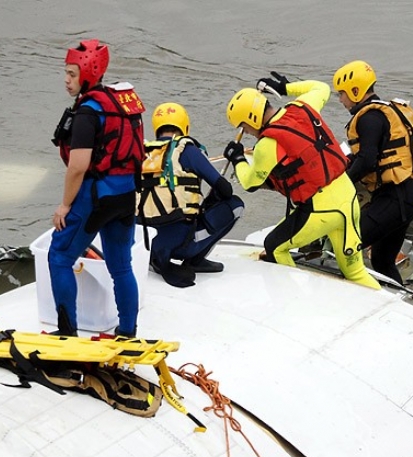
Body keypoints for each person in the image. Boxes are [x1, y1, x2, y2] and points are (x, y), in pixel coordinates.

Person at [223, 74, 380, 290]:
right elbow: (320, 87)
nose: (247, 133)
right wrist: (284, 87)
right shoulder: (301, 107)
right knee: (355, 272)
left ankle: (293, 300)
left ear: (250, 119)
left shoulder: (268, 145)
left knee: (274, 246)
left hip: (323, 211)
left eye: (244, 128)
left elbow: (250, 182)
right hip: (348, 199)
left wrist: (238, 159)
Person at [49, 39, 145, 337]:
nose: (66, 80)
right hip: (126, 196)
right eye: (65, 73)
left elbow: (78, 166)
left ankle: (67, 333)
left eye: (72, 74)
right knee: (121, 267)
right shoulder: (122, 104)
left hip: (95, 198)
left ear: (89, 72)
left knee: (59, 257)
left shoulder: (88, 113)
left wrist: (64, 205)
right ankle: (128, 331)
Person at [333, 60, 413, 285]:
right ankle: (400, 298)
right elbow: (369, 154)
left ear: (356, 91)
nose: (340, 100)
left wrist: (340, 184)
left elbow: (367, 160)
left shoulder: (368, 118)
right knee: (383, 261)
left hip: (395, 199)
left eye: (342, 94)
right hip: (406, 197)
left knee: (349, 243)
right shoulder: (380, 113)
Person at [139, 102, 244, 288]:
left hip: (144, 244)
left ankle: (157, 256)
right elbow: (226, 190)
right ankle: (195, 260)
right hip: (181, 246)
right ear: (184, 126)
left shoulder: (143, 152)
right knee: (235, 205)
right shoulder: (187, 149)